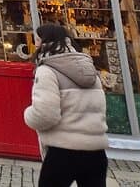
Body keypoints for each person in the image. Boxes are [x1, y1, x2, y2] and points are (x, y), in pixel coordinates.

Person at [24, 23, 108, 187]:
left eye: (37, 40)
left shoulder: (47, 70)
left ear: (44, 42)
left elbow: (45, 114)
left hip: (63, 151)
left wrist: (27, 114)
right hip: (96, 151)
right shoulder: (88, 68)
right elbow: (100, 107)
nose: (35, 44)